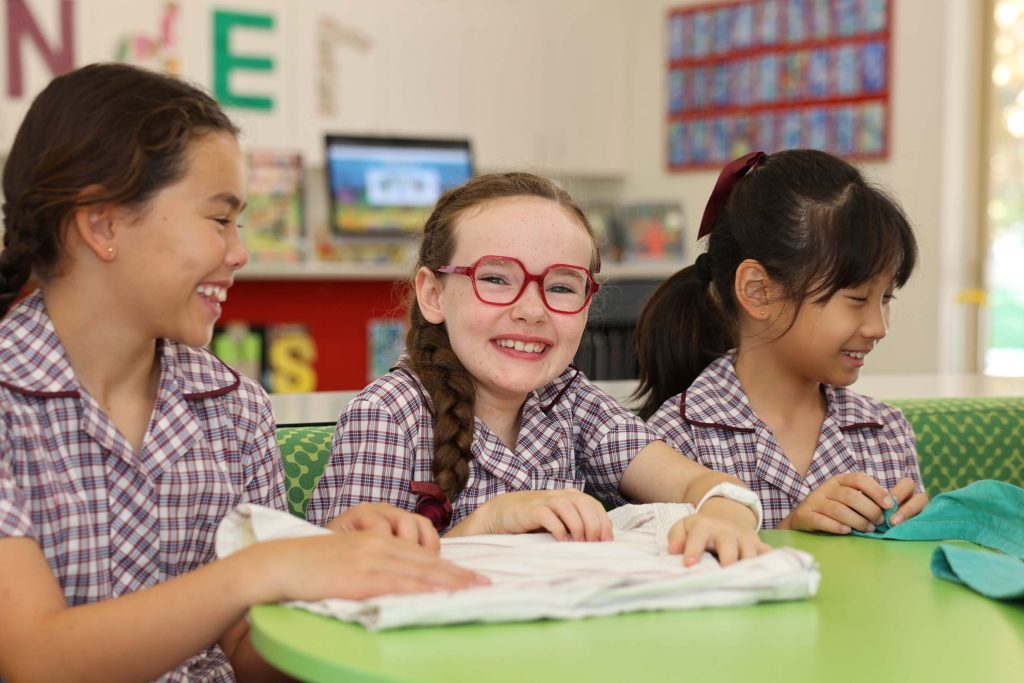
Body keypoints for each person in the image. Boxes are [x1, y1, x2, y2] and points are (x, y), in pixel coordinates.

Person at [0, 63, 480, 683]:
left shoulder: (233, 407)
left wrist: (326, 577)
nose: (240, 251)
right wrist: (263, 569)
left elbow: (249, 650)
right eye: (219, 219)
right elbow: (36, 659)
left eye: (241, 222)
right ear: (103, 223)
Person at [307, 172, 771, 566]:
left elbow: (699, 483)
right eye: (494, 278)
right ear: (432, 294)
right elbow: (341, 577)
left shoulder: (572, 402)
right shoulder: (389, 415)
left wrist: (723, 515)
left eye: (562, 287)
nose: (532, 310)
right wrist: (488, 523)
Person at [634, 149, 929, 533]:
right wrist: (787, 534)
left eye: (886, 298)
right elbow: (671, 578)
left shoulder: (885, 431)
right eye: (857, 299)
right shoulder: (673, 440)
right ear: (759, 292)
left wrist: (918, 538)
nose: (878, 326)